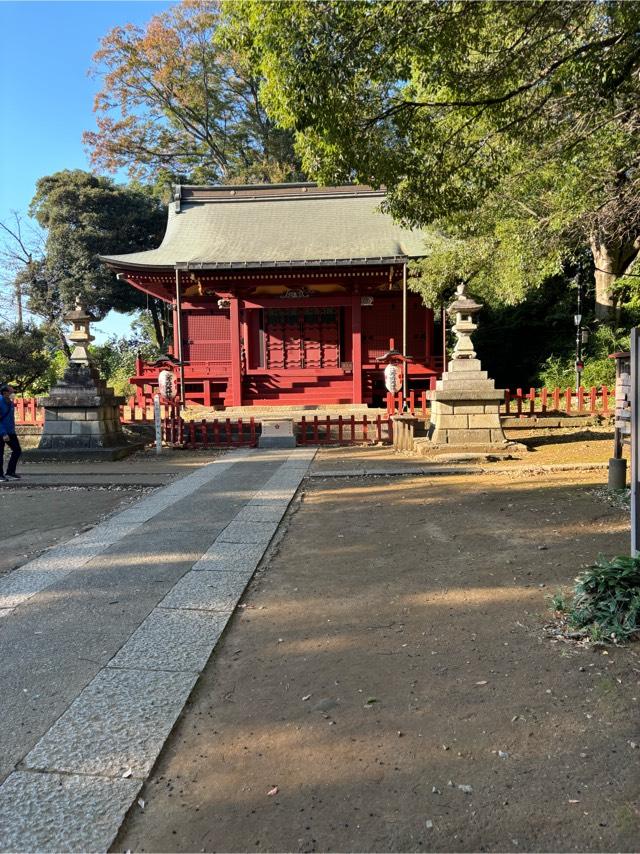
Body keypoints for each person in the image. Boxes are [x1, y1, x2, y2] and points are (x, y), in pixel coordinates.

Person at [0, 383, 21, 481]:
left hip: (10, 431)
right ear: (5, 393)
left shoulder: (11, 402)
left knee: (17, 450)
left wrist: (11, 430)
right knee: (0, 453)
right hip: (1, 431)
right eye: (11, 392)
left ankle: (10, 472)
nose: (13, 393)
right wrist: (3, 433)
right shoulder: (0, 402)